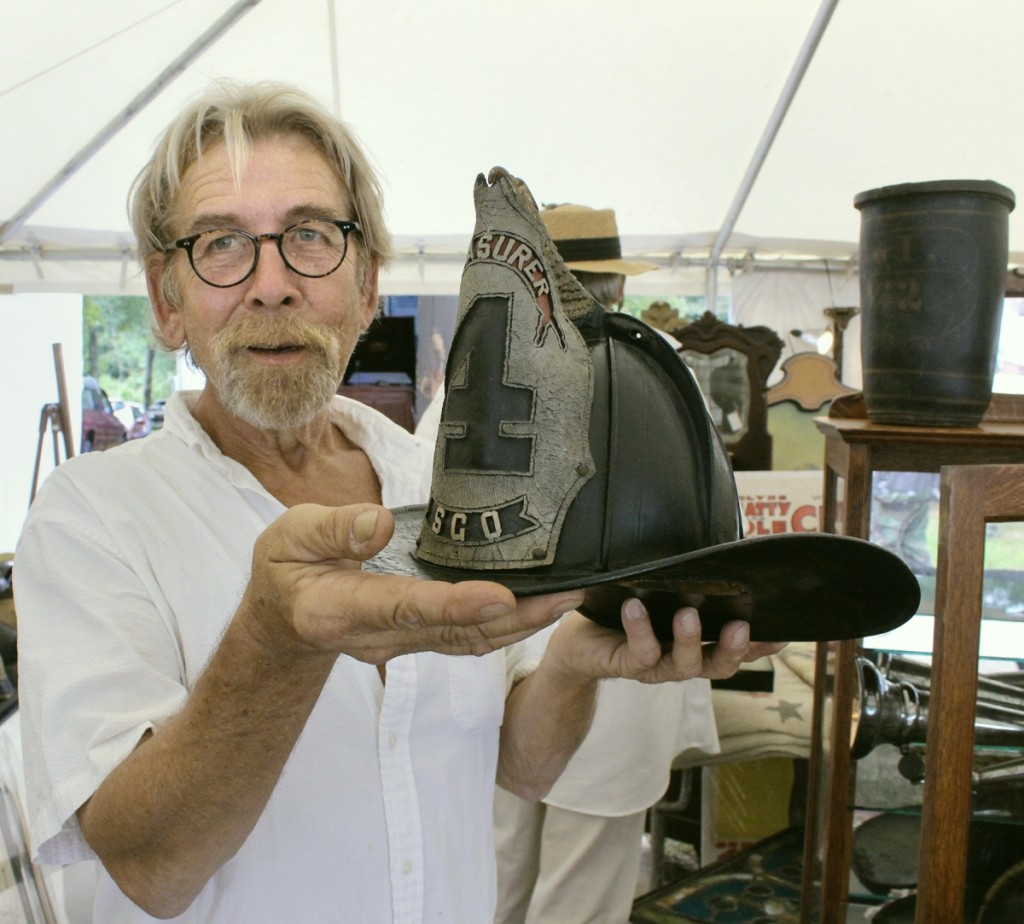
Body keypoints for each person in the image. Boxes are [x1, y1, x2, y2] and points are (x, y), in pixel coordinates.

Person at [14, 81, 776, 923]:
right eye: (222, 243)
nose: (271, 285)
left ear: (368, 284)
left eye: (309, 235)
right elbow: (146, 867)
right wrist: (276, 639)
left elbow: (518, 766)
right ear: (166, 301)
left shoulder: (436, 485)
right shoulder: (90, 519)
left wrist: (572, 664)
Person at [482, 203, 722, 924]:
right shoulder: (656, 375)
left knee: (492, 876)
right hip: (605, 652)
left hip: (517, 663)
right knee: (564, 893)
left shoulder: (485, 367)